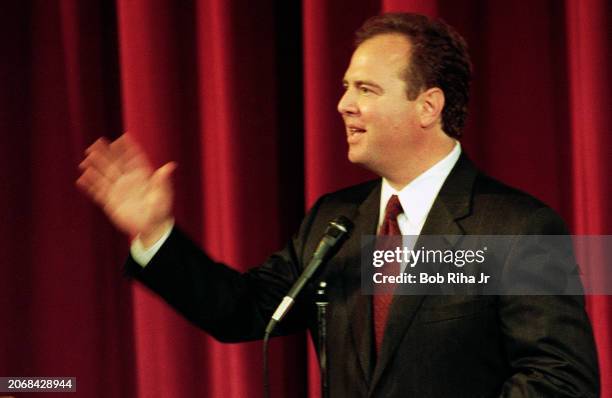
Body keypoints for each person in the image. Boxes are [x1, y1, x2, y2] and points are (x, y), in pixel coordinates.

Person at [77, 12, 599, 398]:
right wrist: (155, 234)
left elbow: (561, 382)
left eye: (366, 88)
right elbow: (244, 312)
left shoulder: (520, 227)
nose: (343, 103)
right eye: (346, 87)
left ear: (428, 106)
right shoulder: (335, 220)